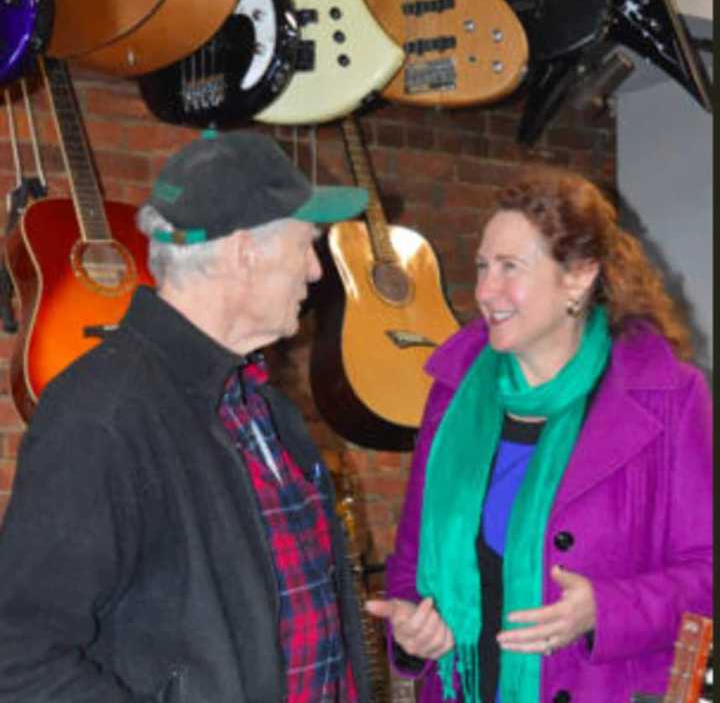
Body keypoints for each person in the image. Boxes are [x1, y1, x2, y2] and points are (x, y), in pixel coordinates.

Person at [0, 130, 374, 703]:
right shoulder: (101, 414)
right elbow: (19, 655)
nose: (317, 271)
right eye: (307, 245)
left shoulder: (261, 404)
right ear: (246, 250)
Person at [366, 167, 712, 703]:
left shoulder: (669, 396)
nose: (484, 291)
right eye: (482, 266)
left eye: (509, 268)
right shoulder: (453, 392)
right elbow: (412, 562)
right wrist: (412, 632)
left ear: (578, 277)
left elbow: (707, 574)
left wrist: (606, 609)